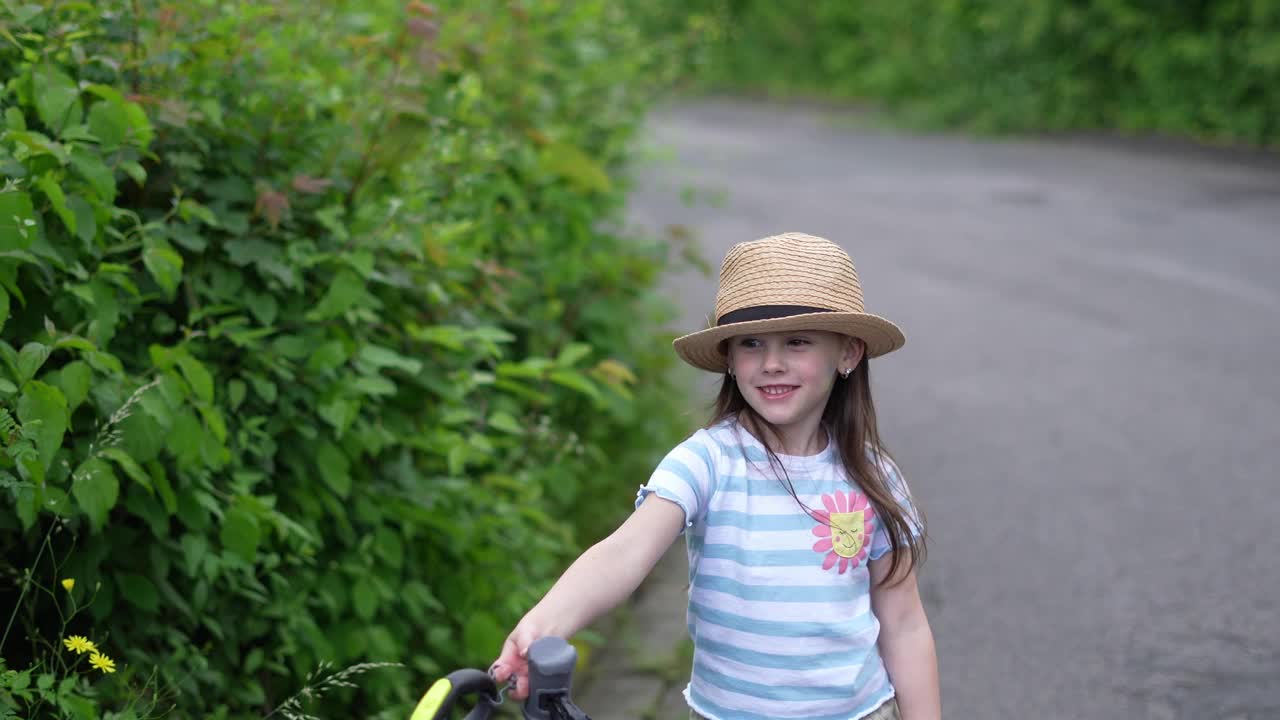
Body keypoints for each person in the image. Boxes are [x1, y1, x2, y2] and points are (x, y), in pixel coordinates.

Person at [491, 232, 941, 720]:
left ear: (849, 353)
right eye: (751, 344)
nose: (771, 364)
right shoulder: (708, 461)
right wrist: (543, 626)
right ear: (729, 359)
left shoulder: (872, 474)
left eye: (797, 342)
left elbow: (904, 624)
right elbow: (625, 551)